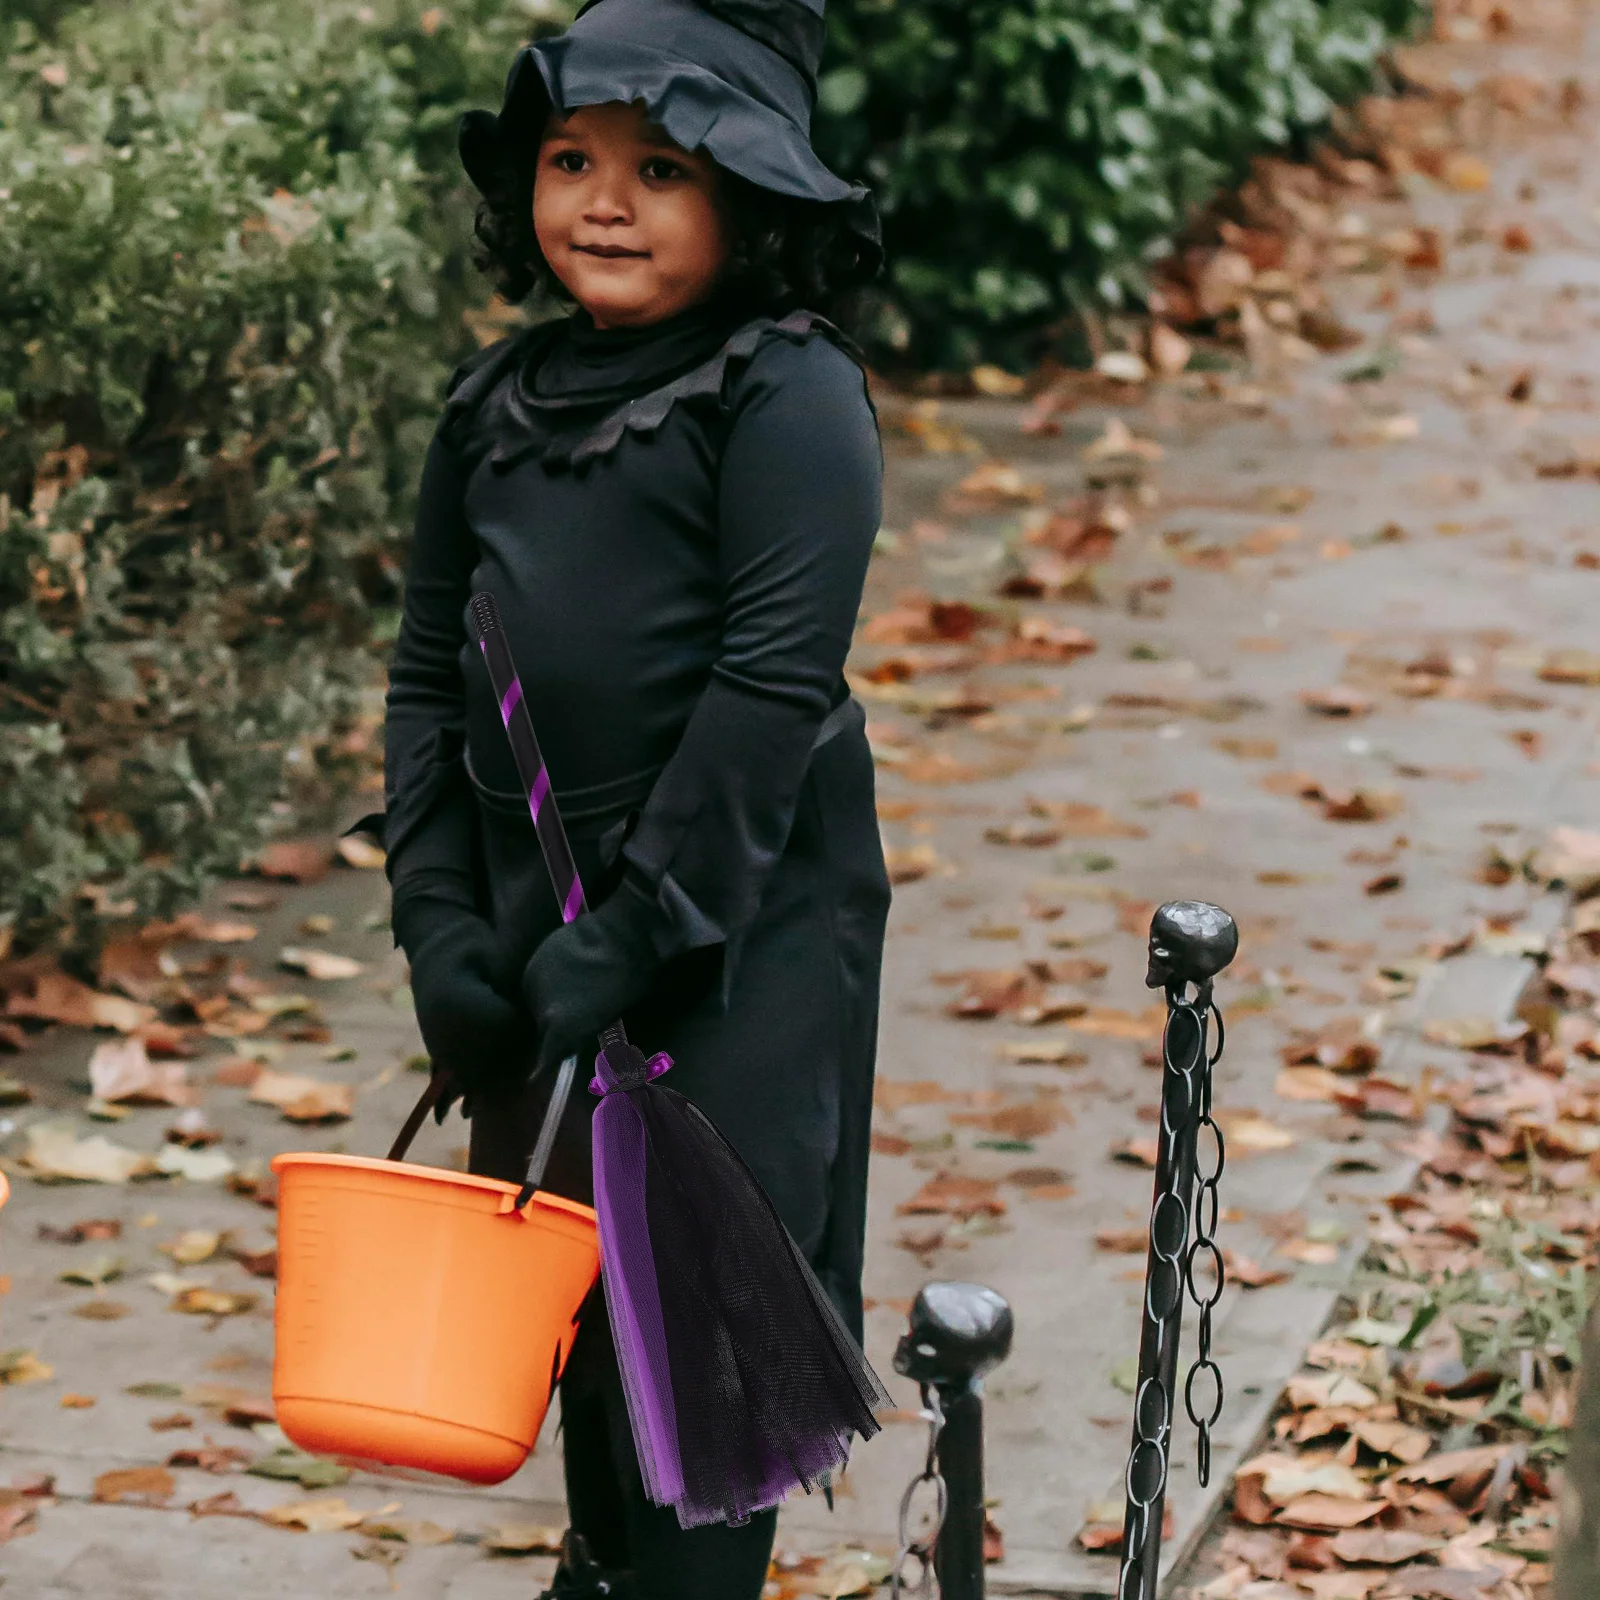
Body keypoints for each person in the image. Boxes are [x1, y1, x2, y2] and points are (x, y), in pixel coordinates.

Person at [374, 1, 891, 1594]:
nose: (603, 199)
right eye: (573, 159)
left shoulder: (788, 398)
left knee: (698, 1356)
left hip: (733, 940)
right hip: (534, 938)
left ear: (751, 203)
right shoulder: (495, 406)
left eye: (662, 168)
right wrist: (441, 928)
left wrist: (645, 927)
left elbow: (770, 691)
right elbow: (420, 675)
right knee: (570, 1317)